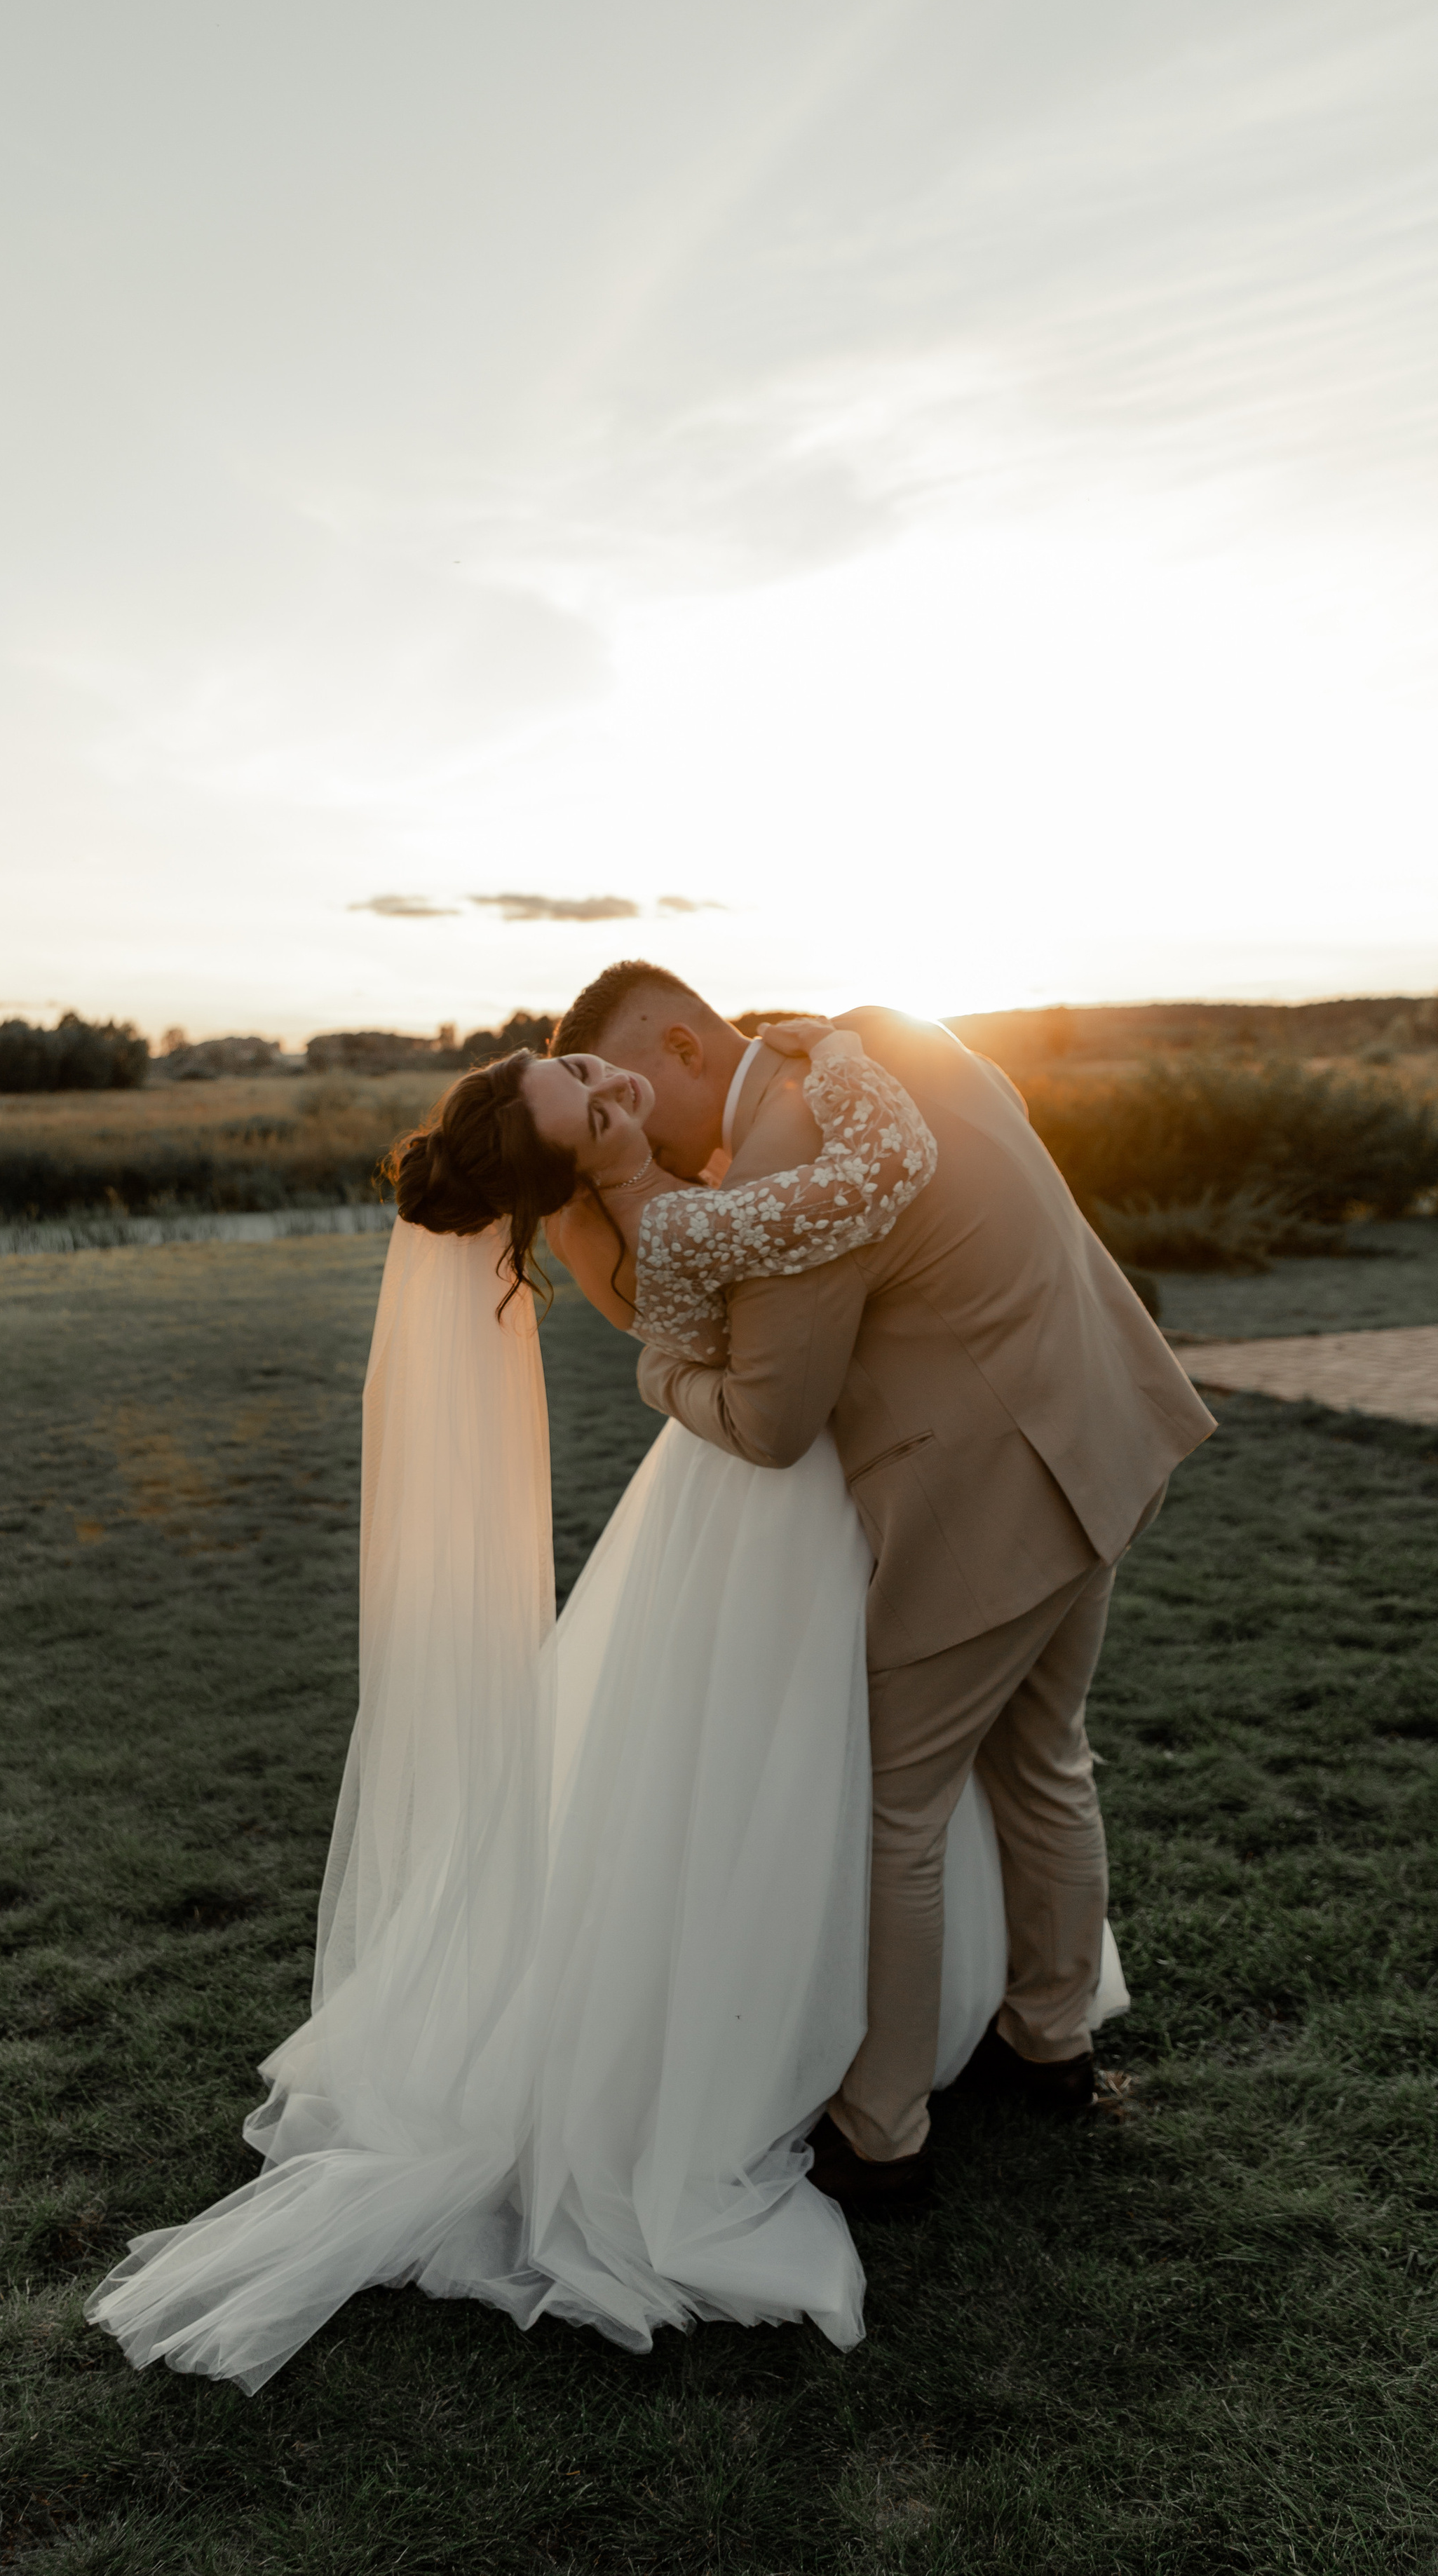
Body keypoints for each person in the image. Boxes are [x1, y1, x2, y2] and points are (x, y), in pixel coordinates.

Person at [88, 1022, 1043, 2389]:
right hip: (768, 1499)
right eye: (589, 1111)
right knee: (795, 1765)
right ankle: (830, 2045)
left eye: (580, 1070)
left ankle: (879, 2025)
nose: (610, 1084)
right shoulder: (662, 1222)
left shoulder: (670, 1188)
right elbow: (798, 1312)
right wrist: (829, 1074)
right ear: (580, 1171)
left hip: (745, 1494)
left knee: (787, 1764)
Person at [548, 961, 1216, 2205]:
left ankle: (882, 2131)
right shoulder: (887, 1039)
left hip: (992, 1503)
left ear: (686, 1046)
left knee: (899, 1810)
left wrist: (660, 1375)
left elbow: (774, 1421)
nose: (639, 1130)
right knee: (1046, 1757)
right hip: (1106, 1428)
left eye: (632, 1089)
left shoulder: (786, 1159)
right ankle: (1052, 2044)